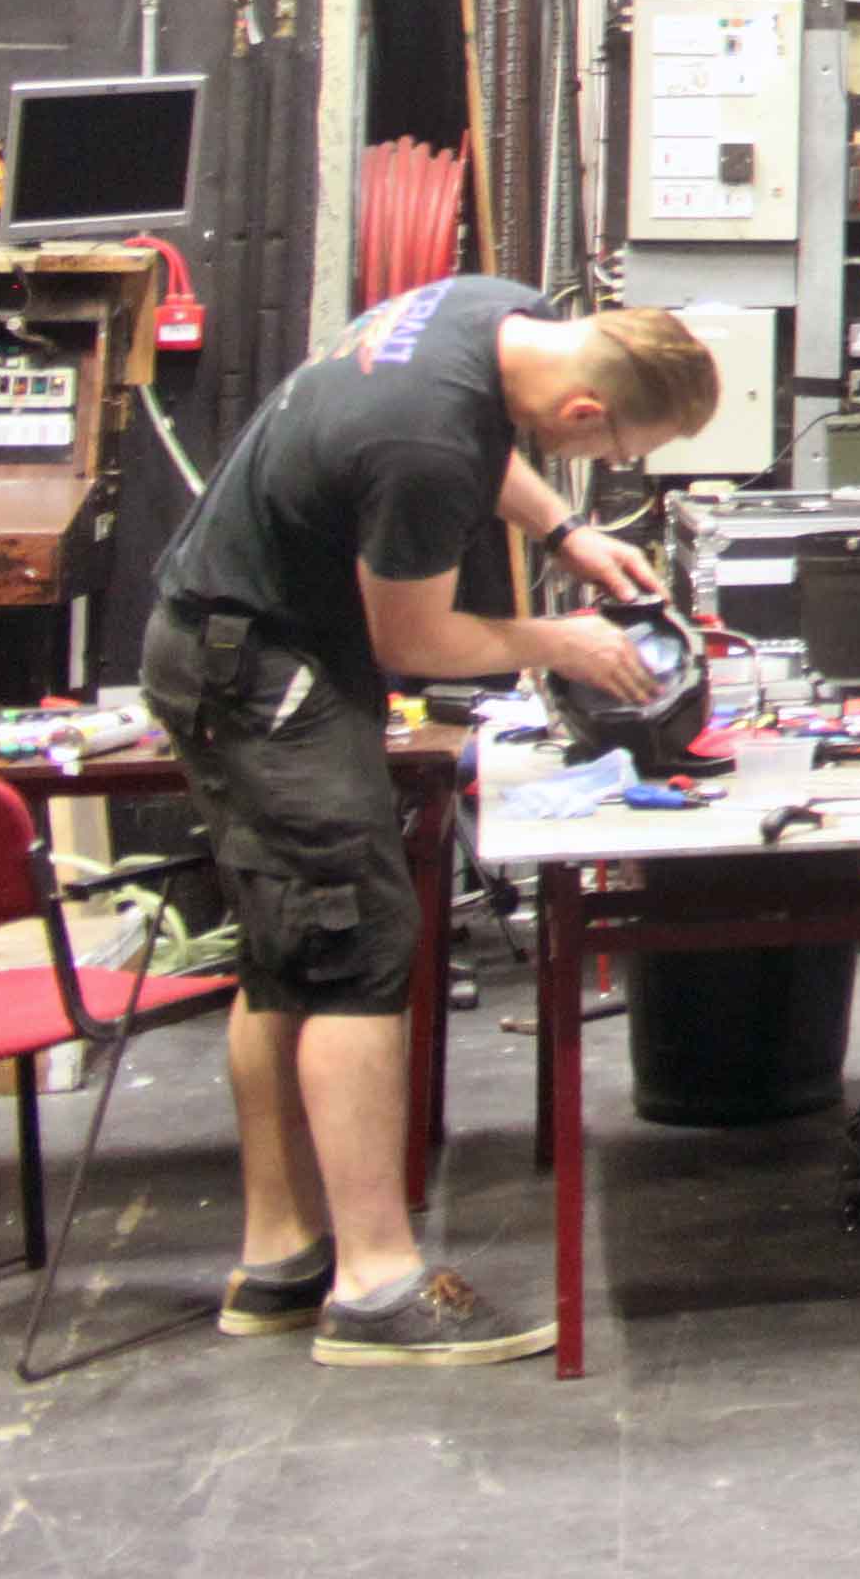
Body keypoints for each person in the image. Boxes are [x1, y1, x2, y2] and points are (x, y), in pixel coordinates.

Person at [138, 278, 722, 1366]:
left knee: (289, 954)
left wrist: (567, 533)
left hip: (231, 639)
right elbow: (413, 641)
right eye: (610, 452)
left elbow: (481, 442)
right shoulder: (422, 448)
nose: (601, 466)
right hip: (261, 669)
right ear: (585, 409)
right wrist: (560, 642)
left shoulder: (486, 313)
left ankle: (280, 1260)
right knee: (358, 945)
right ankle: (376, 1286)